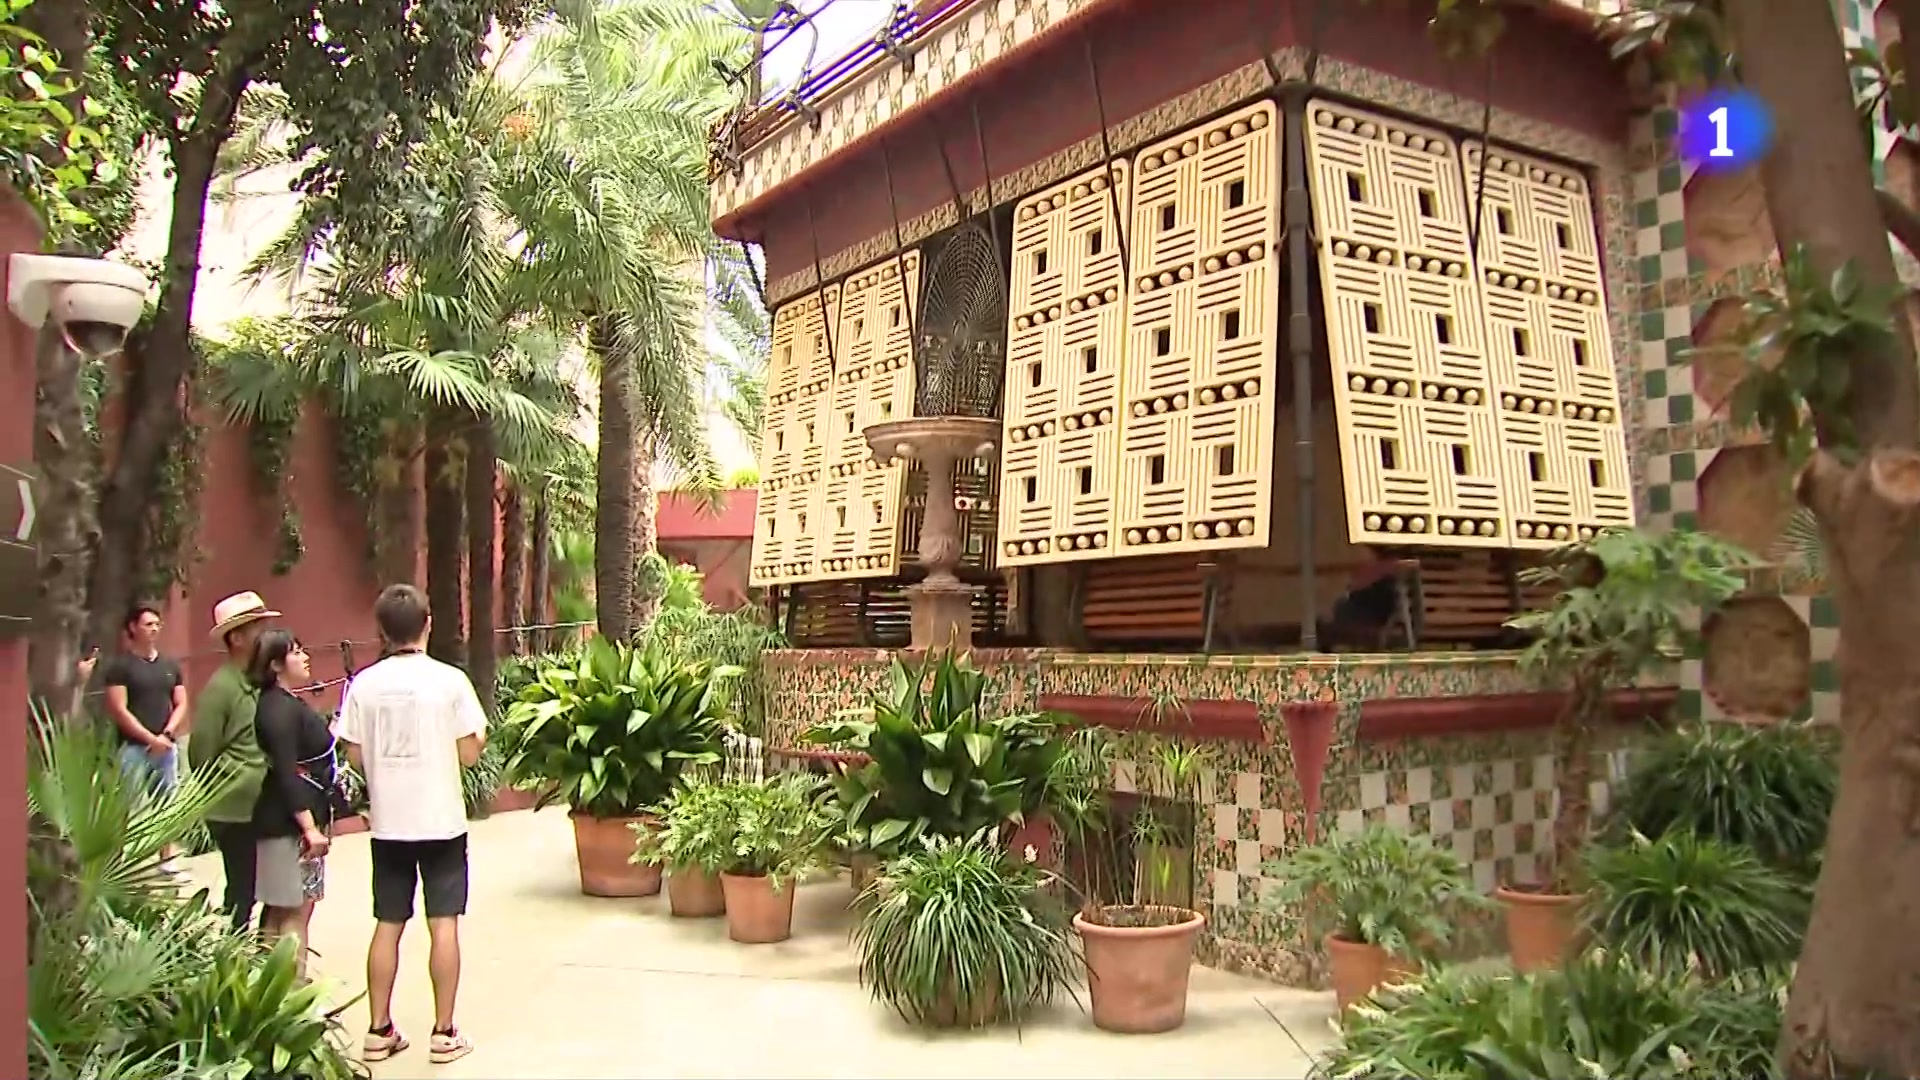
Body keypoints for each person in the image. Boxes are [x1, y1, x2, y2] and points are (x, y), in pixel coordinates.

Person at [336, 584, 487, 1065]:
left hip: (389, 824)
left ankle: (378, 1030)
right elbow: (469, 752)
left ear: (382, 630)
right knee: (443, 923)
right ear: (428, 624)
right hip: (441, 822)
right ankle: (444, 1033)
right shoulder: (450, 681)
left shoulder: (363, 684)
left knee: (388, 923)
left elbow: (353, 753)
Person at [186, 591, 279, 931]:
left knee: (271, 889)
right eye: (257, 628)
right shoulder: (221, 688)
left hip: (264, 803)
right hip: (234, 809)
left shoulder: (262, 681)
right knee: (242, 890)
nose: (265, 634)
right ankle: (231, 950)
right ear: (236, 638)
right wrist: (226, 783)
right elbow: (201, 751)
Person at [247, 630, 336, 980]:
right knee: (295, 909)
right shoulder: (277, 710)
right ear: (275, 664)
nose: (305, 657)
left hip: (289, 818)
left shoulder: (283, 703)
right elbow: (287, 772)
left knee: (282, 907)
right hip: (289, 824)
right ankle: (291, 987)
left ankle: (269, 987)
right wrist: (309, 828)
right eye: (296, 652)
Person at [100, 604, 189, 875]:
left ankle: (166, 859)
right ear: (132, 628)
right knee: (123, 806)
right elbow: (118, 709)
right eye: (148, 624)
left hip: (166, 747)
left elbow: (181, 702)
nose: (154, 629)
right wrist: (150, 738)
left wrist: (167, 734)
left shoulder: (169, 665)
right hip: (132, 748)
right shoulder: (120, 667)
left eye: (157, 624)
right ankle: (116, 862)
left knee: (166, 804)